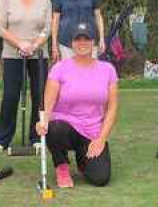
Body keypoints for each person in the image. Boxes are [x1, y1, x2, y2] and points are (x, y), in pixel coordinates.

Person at [36, 22, 119, 188]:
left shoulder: (107, 69)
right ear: (72, 43)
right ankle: (62, 166)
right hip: (65, 127)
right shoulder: (59, 68)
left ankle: (83, 161)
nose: (82, 43)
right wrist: (43, 121)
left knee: (100, 178)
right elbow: (49, 101)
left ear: (94, 42)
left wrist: (101, 138)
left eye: (86, 39)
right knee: (54, 127)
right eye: (78, 39)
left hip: (92, 131)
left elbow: (112, 108)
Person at [0, 0, 51, 153]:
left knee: (39, 95)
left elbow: (47, 29)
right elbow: (0, 27)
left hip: (38, 54)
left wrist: (34, 45)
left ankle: (36, 136)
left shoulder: (44, 0)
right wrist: (20, 44)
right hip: (12, 54)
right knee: (10, 95)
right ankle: (3, 138)